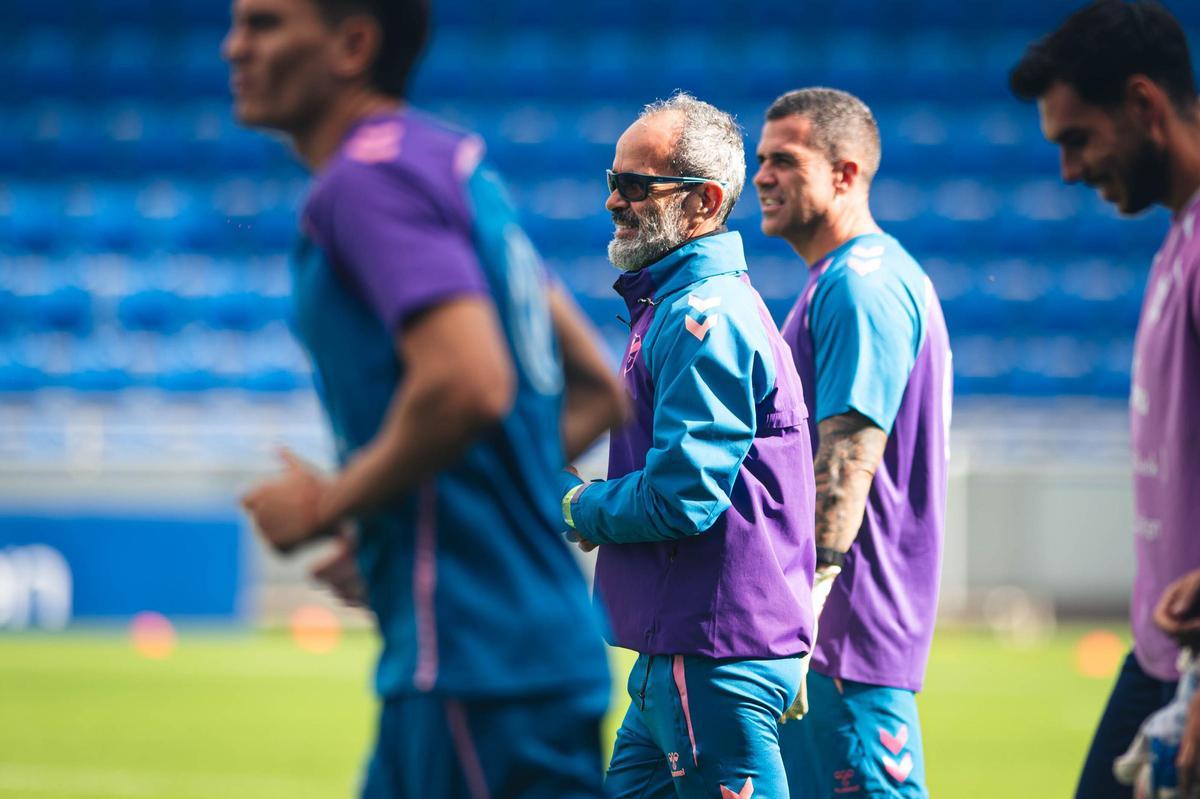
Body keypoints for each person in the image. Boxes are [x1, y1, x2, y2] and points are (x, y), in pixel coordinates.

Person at [223, 0, 627, 796]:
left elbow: (469, 382)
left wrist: (328, 502)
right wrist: (411, 530)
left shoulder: (365, 182)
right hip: (503, 652)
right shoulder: (451, 170)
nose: (235, 47)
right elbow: (595, 389)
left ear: (353, 44)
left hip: (476, 668)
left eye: (265, 23)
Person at [560, 91, 818, 799]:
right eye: (613, 182)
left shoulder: (703, 316)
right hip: (680, 649)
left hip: (711, 651)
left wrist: (575, 506)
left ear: (705, 201)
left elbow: (683, 495)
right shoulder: (682, 306)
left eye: (636, 186)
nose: (614, 201)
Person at [1010, 2, 1200, 795]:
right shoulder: (1178, 239)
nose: (1068, 169)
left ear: (1144, 105)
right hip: (1163, 656)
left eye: (1077, 139)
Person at [754, 87, 951, 798]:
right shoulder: (837, 280)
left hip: (840, 638)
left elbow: (848, 453)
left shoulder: (860, 285)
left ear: (845, 174)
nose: (762, 176)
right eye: (760, 159)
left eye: (785, 160)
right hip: (831, 637)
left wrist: (797, 612)